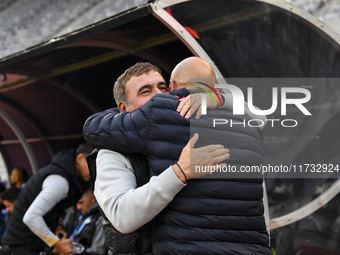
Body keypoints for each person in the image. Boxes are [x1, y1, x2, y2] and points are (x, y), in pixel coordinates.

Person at [84, 59, 271, 254]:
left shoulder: (181, 120)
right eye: (145, 91)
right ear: (123, 109)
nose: (158, 96)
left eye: (162, 87)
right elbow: (122, 217)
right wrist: (179, 173)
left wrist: (216, 98)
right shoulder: (111, 152)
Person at [1, 142, 94, 255]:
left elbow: (55, 208)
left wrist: (58, 226)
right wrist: (57, 244)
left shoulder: (69, 177)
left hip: (30, 242)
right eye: (93, 165)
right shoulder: (60, 181)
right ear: (80, 159)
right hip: (23, 243)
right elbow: (31, 217)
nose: (95, 171)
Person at [67, 185, 107, 255]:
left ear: (93, 198)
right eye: (76, 203)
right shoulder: (77, 213)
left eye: (81, 202)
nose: (78, 207)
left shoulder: (101, 218)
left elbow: (97, 250)